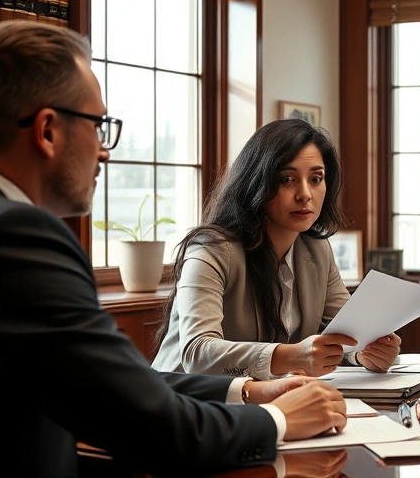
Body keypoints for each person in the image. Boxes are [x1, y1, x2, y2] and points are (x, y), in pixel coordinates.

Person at [0, 20, 349, 477]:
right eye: (98, 125)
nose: (104, 151)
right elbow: (139, 416)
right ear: (47, 131)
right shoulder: (14, 234)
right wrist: (279, 419)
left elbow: (109, 388)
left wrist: (245, 392)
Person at [152, 118, 402, 379]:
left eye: (316, 179)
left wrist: (366, 353)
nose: (304, 193)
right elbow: (197, 353)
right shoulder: (209, 251)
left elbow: (352, 330)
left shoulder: (317, 250)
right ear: (256, 182)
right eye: (286, 179)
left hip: (263, 401)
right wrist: (292, 356)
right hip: (183, 405)